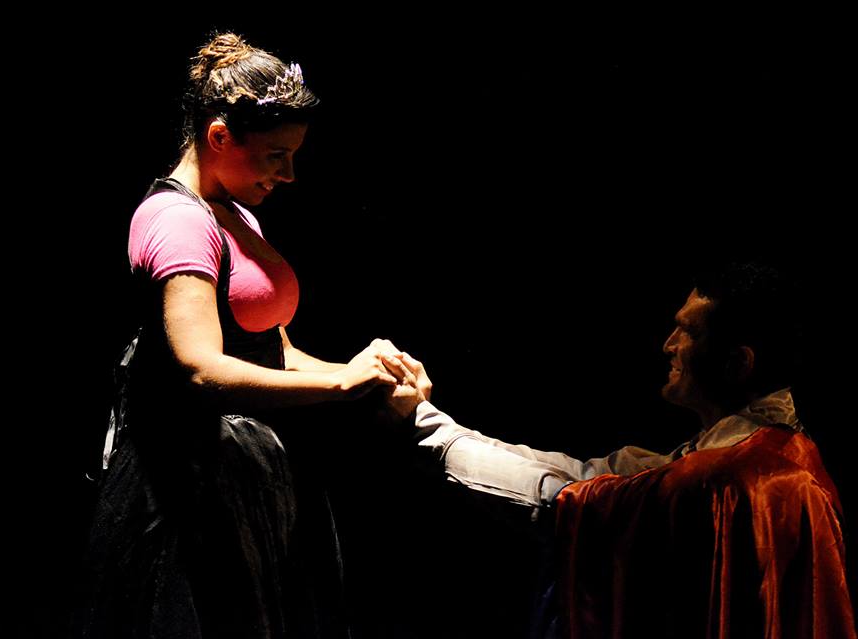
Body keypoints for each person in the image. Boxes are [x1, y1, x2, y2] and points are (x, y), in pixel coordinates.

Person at [72, 32, 414, 639]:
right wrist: (341, 386)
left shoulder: (234, 211)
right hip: (189, 489)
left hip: (249, 475)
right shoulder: (177, 220)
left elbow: (272, 350)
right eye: (276, 154)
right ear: (219, 137)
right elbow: (201, 368)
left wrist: (366, 372)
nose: (289, 174)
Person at [385, 262, 855, 638]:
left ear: (737, 363)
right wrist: (436, 421)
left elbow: (567, 502)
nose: (668, 345)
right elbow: (592, 476)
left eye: (688, 332)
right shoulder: (766, 450)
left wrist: (421, 423)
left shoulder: (733, 477)